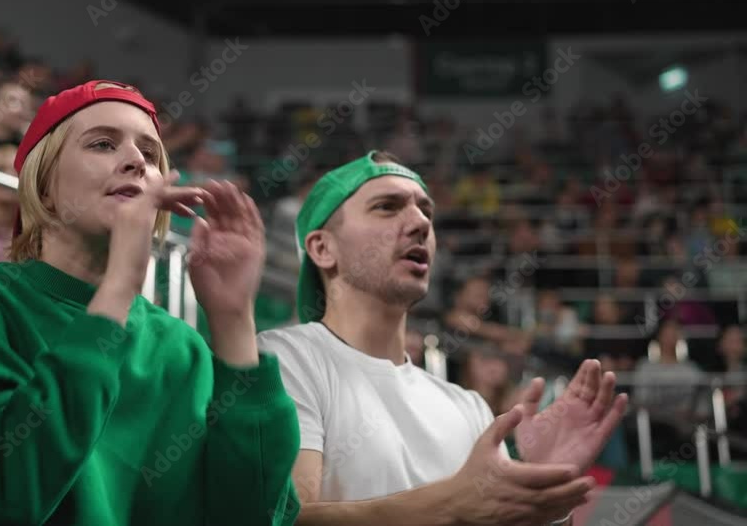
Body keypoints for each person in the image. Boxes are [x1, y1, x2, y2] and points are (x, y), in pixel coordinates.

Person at [0, 80, 300, 525]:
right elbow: (13, 485)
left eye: (151, 154)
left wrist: (234, 319)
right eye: (102, 143)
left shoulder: (183, 348)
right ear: (43, 187)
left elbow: (253, 515)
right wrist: (120, 283)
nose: (137, 161)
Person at [257, 150, 628, 526]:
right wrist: (450, 505)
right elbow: (287, 518)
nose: (419, 222)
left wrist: (542, 498)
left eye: (426, 212)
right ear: (323, 248)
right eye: (387, 207)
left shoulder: (468, 408)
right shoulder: (285, 360)